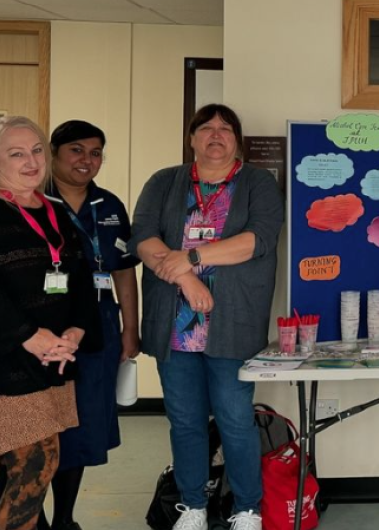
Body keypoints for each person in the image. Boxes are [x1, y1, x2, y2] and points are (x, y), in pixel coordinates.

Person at [130, 104, 284, 530]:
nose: (216, 134)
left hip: (232, 323)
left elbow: (257, 241)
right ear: (192, 138)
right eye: (206, 128)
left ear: (236, 140)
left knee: (236, 420)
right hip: (174, 327)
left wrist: (191, 257)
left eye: (226, 128)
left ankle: (247, 508)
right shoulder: (165, 181)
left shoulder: (257, 183)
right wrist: (189, 281)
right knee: (185, 421)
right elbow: (142, 237)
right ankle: (193, 504)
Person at [37, 121, 140, 530]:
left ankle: (64, 518)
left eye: (95, 152)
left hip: (97, 324)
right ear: (54, 151)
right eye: (76, 150)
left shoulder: (109, 205)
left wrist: (131, 329)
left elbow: (124, 273)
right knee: (39, 421)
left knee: (81, 423)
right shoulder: (31, 199)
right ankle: (33, 517)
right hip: (42, 325)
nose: (87, 160)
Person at [0, 116, 100, 530]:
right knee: (33, 467)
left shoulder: (56, 212)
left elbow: (78, 279)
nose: (30, 161)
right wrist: (29, 336)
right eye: (15, 153)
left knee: (33, 466)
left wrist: (75, 331)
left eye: (37, 150)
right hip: (9, 362)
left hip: (54, 358)